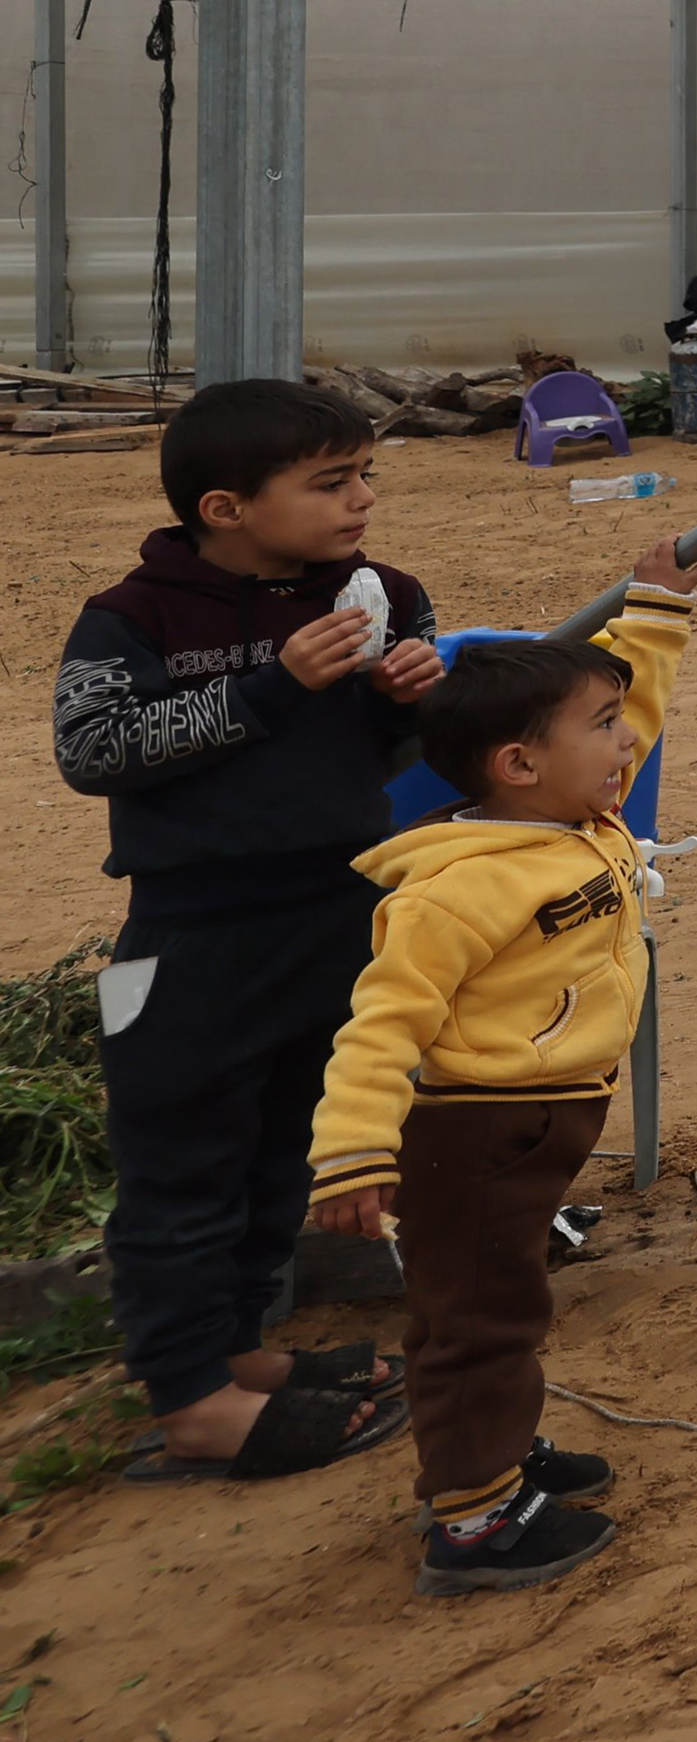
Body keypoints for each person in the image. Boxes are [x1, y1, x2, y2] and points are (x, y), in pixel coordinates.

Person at [49, 380, 442, 1482]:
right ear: (225, 508)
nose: (361, 501)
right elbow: (95, 752)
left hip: (332, 914)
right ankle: (189, 1401)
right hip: (193, 936)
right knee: (181, 1165)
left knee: (284, 1149)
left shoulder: (384, 595)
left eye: (366, 476)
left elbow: (382, 758)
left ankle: (238, 1349)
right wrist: (273, 687)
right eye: (330, 484)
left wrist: (406, 702)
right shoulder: (137, 616)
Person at [303, 534, 697, 1597]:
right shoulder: (451, 891)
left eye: (618, 726)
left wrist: (656, 606)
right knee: (482, 1315)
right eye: (602, 731)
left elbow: (643, 705)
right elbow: (378, 1026)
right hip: (475, 1135)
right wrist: (349, 1153)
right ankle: (475, 1520)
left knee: (487, 1302)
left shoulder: (578, 814)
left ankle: (492, 1455)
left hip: (542, 1120)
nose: (630, 747)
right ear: (519, 767)